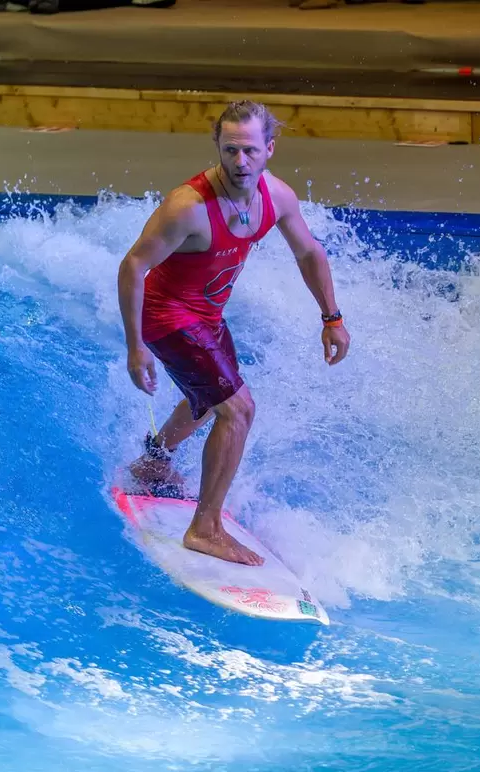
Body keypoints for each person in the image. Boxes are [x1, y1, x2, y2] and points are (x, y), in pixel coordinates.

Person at [118, 100, 350, 567]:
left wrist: (332, 317)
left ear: (269, 148)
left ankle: (154, 461)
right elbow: (133, 266)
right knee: (238, 409)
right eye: (229, 151)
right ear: (218, 149)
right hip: (168, 316)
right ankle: (205, 528)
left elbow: (309, 253)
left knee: (212, 398)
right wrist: (135, 346)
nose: (239, 162)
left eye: (248, 150)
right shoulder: (188, 207)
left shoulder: (276, 197)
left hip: (208, 315)